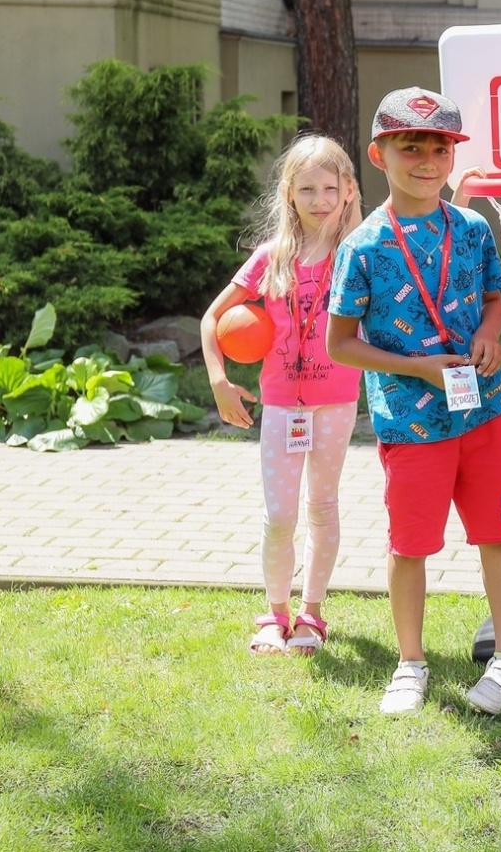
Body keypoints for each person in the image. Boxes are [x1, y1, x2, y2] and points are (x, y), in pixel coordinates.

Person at [326, 87, 501, 717]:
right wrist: (417, 369)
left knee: (498, 535)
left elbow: (493, 301)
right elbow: (340, 344)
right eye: (410, 148)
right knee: (410, 545)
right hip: (411, 425)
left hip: (486, 414)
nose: (427, 161)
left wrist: (489, 335)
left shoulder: (472, 228)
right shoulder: (362, 246)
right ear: (379, 155)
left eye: (439, 149)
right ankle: (410, 663)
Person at [200, 133, 364, 658]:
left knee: (323, 505)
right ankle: (275, 613)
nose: (320, 200)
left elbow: (410, 240)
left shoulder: (357, 253)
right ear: (289, 193)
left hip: (336, 401)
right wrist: (220, 381)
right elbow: (211, 319)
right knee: (279, 515)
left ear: (348, 190)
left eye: (331, 188)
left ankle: (311, 613)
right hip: (280, 406)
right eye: (308, 189)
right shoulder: (271, 258)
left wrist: (461, 197)